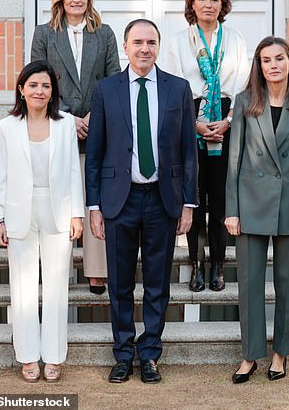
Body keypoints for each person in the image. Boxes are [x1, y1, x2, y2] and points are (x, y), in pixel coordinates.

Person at [85, 19, 198, 384]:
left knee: (156, 283)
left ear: (158, 46)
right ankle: (122, 354)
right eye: (137, 42)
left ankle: (149, 354)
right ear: (126, 46)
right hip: (121, 199)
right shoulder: (106, 90)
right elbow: (96, 151)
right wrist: (94, 205)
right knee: (118, 283)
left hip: (163, 200)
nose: (144, 48)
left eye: (151, 42)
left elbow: (187, 151)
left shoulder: (178, 89)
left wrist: (188, 203)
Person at [225, 36, 289, 384]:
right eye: (266, 60)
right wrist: (231, 209)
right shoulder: (246, 101)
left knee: (285, 283)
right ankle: (250, 354)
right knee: (249, 283)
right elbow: (233, 161)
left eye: (279, 58)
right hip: (249, 203)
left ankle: (280, 353)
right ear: (259, 66)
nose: (273, 65)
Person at [0, 60, 84, 382]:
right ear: (21, 89)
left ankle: (55, 357)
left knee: (57, 287)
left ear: (52, 91)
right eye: (33, 85)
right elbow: (0, 175)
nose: (39, 91)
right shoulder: (8, 126)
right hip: (19, 211)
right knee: (24, 287)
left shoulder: (65, 124)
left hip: (57, 209)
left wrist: (77, 214)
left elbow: (74, 170)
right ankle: (28, 356)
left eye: (45, 86)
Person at [31, 0, 120, 295]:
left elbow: (114, 77)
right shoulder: (45, 33)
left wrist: (94, 115)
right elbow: (39, 78)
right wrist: (69, 115)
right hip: (58, 121)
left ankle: (96, 270)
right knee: (61, 195)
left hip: (98, 123)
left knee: (94, 195)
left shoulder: (105, 33)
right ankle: (60, 265)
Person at [166, 0, 249, 292]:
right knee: (195, 197)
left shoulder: (235, 40)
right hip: (192, 122)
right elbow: (173, 88)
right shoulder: (178, 42)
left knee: (221, 197)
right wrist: (195, 125)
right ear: (192, 4)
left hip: (227, 123)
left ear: (222, 4)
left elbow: (242, 86)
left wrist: (227, 120)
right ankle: (196, 265)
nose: (208, 4)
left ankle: (218, 266)